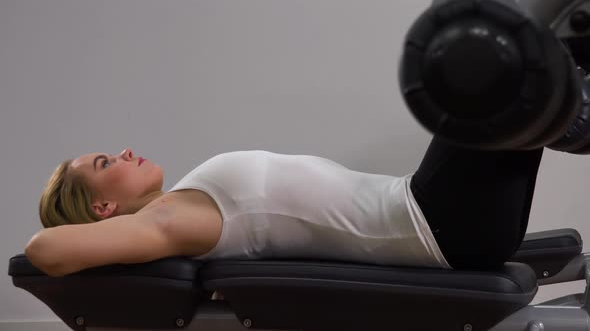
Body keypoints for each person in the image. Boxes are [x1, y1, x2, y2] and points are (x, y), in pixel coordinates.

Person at [25, 137, 543, 277]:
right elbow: (45, 250)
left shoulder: (182, 202)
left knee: (544, 59)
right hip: (437, 220)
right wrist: (128, 232)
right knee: (498, 54)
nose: (124, 151)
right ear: (103, 208)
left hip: (449, 219)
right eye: (103, 161)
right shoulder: (167, 221)